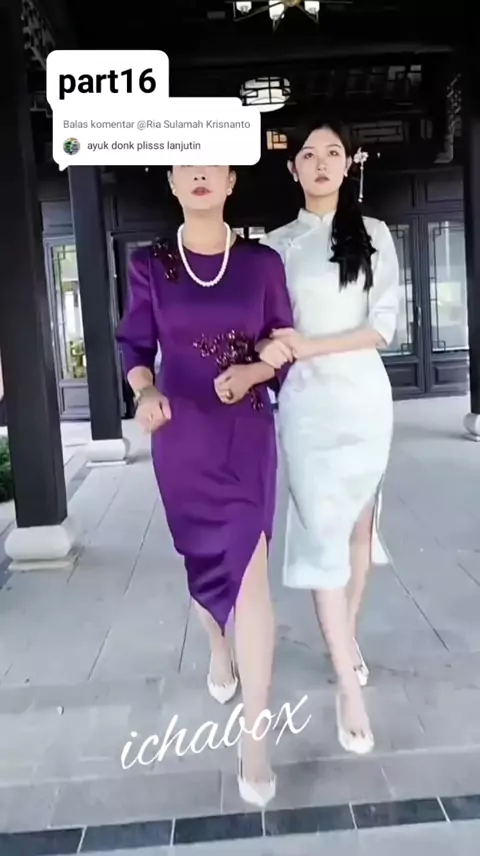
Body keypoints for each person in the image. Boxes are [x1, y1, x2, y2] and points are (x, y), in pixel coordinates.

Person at [115, 165, 294, 806]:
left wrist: (254, 372)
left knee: (250, 571)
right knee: (203, 559)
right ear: (171, 181)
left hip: (245, 433)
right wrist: (145, 393)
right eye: (186, 166)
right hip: (181, 434)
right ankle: (219, 645)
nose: (199, 174)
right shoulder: (150, 265)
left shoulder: (262, 264)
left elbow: (283, 343)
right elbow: (135, 348)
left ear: (230, 180)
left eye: (211, 164)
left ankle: (254, 740)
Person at [259, 120, 400, 754]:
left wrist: (310, 345)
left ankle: (346, 637)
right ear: (293, 169)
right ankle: (348, 685)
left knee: (359, 533)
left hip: (364, 400)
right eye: (308, 154)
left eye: (332, 152)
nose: (320, 163)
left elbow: (383, 327)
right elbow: (264, 330)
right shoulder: (274, 246)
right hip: (306, 408)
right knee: (322, 538)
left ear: (349, 163)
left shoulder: (374, 235)